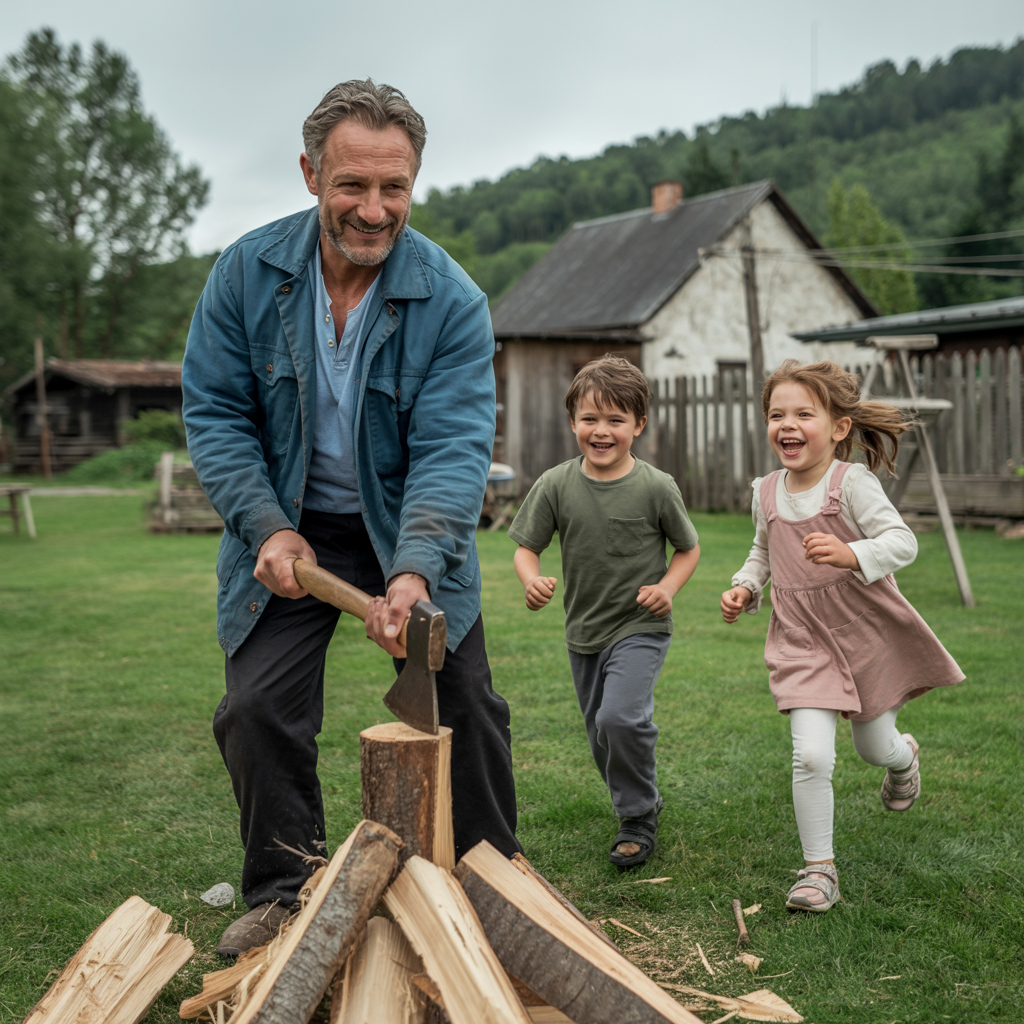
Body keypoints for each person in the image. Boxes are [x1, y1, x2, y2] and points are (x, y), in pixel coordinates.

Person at [182, 80, 521, 956]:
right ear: (309, 174)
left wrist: (414, 570)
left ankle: (494, 884)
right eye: (352, 186)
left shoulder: (450, 299)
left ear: (414, 183)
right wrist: (264, 525)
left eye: (394, 188)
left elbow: (452, 447)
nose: (374, 210)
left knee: (469, 705)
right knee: (254, 709)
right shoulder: (246, 274)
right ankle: (287, 892)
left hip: (406, 529)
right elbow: (216, 414)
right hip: (288, 534)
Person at [721, 360, 964, 912]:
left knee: (872, 745)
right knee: (811, 756)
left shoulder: (851, 483)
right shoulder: (765, 492)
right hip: (801, 640)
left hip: (863, 635)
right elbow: (762, 553)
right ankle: (818, 870)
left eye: (804, 413)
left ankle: (903, 759)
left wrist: (853, 553)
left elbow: (902, 542)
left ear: (837, 428)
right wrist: (745, 587)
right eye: (776, 414)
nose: (788, 424)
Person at [507, 355, 700, 869]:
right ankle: (641, 797)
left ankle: (637, 816)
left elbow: (688, 549)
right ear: (573, 422)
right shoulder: (555, 484)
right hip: (583, 629)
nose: (602, 430)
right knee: (600, 731)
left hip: (639, 625)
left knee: (619, 718)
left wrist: (668, 588)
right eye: (590, 418)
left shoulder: (657, 487)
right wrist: (533, 579)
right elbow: (527, 548)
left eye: (616, 420)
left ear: (638, 425)